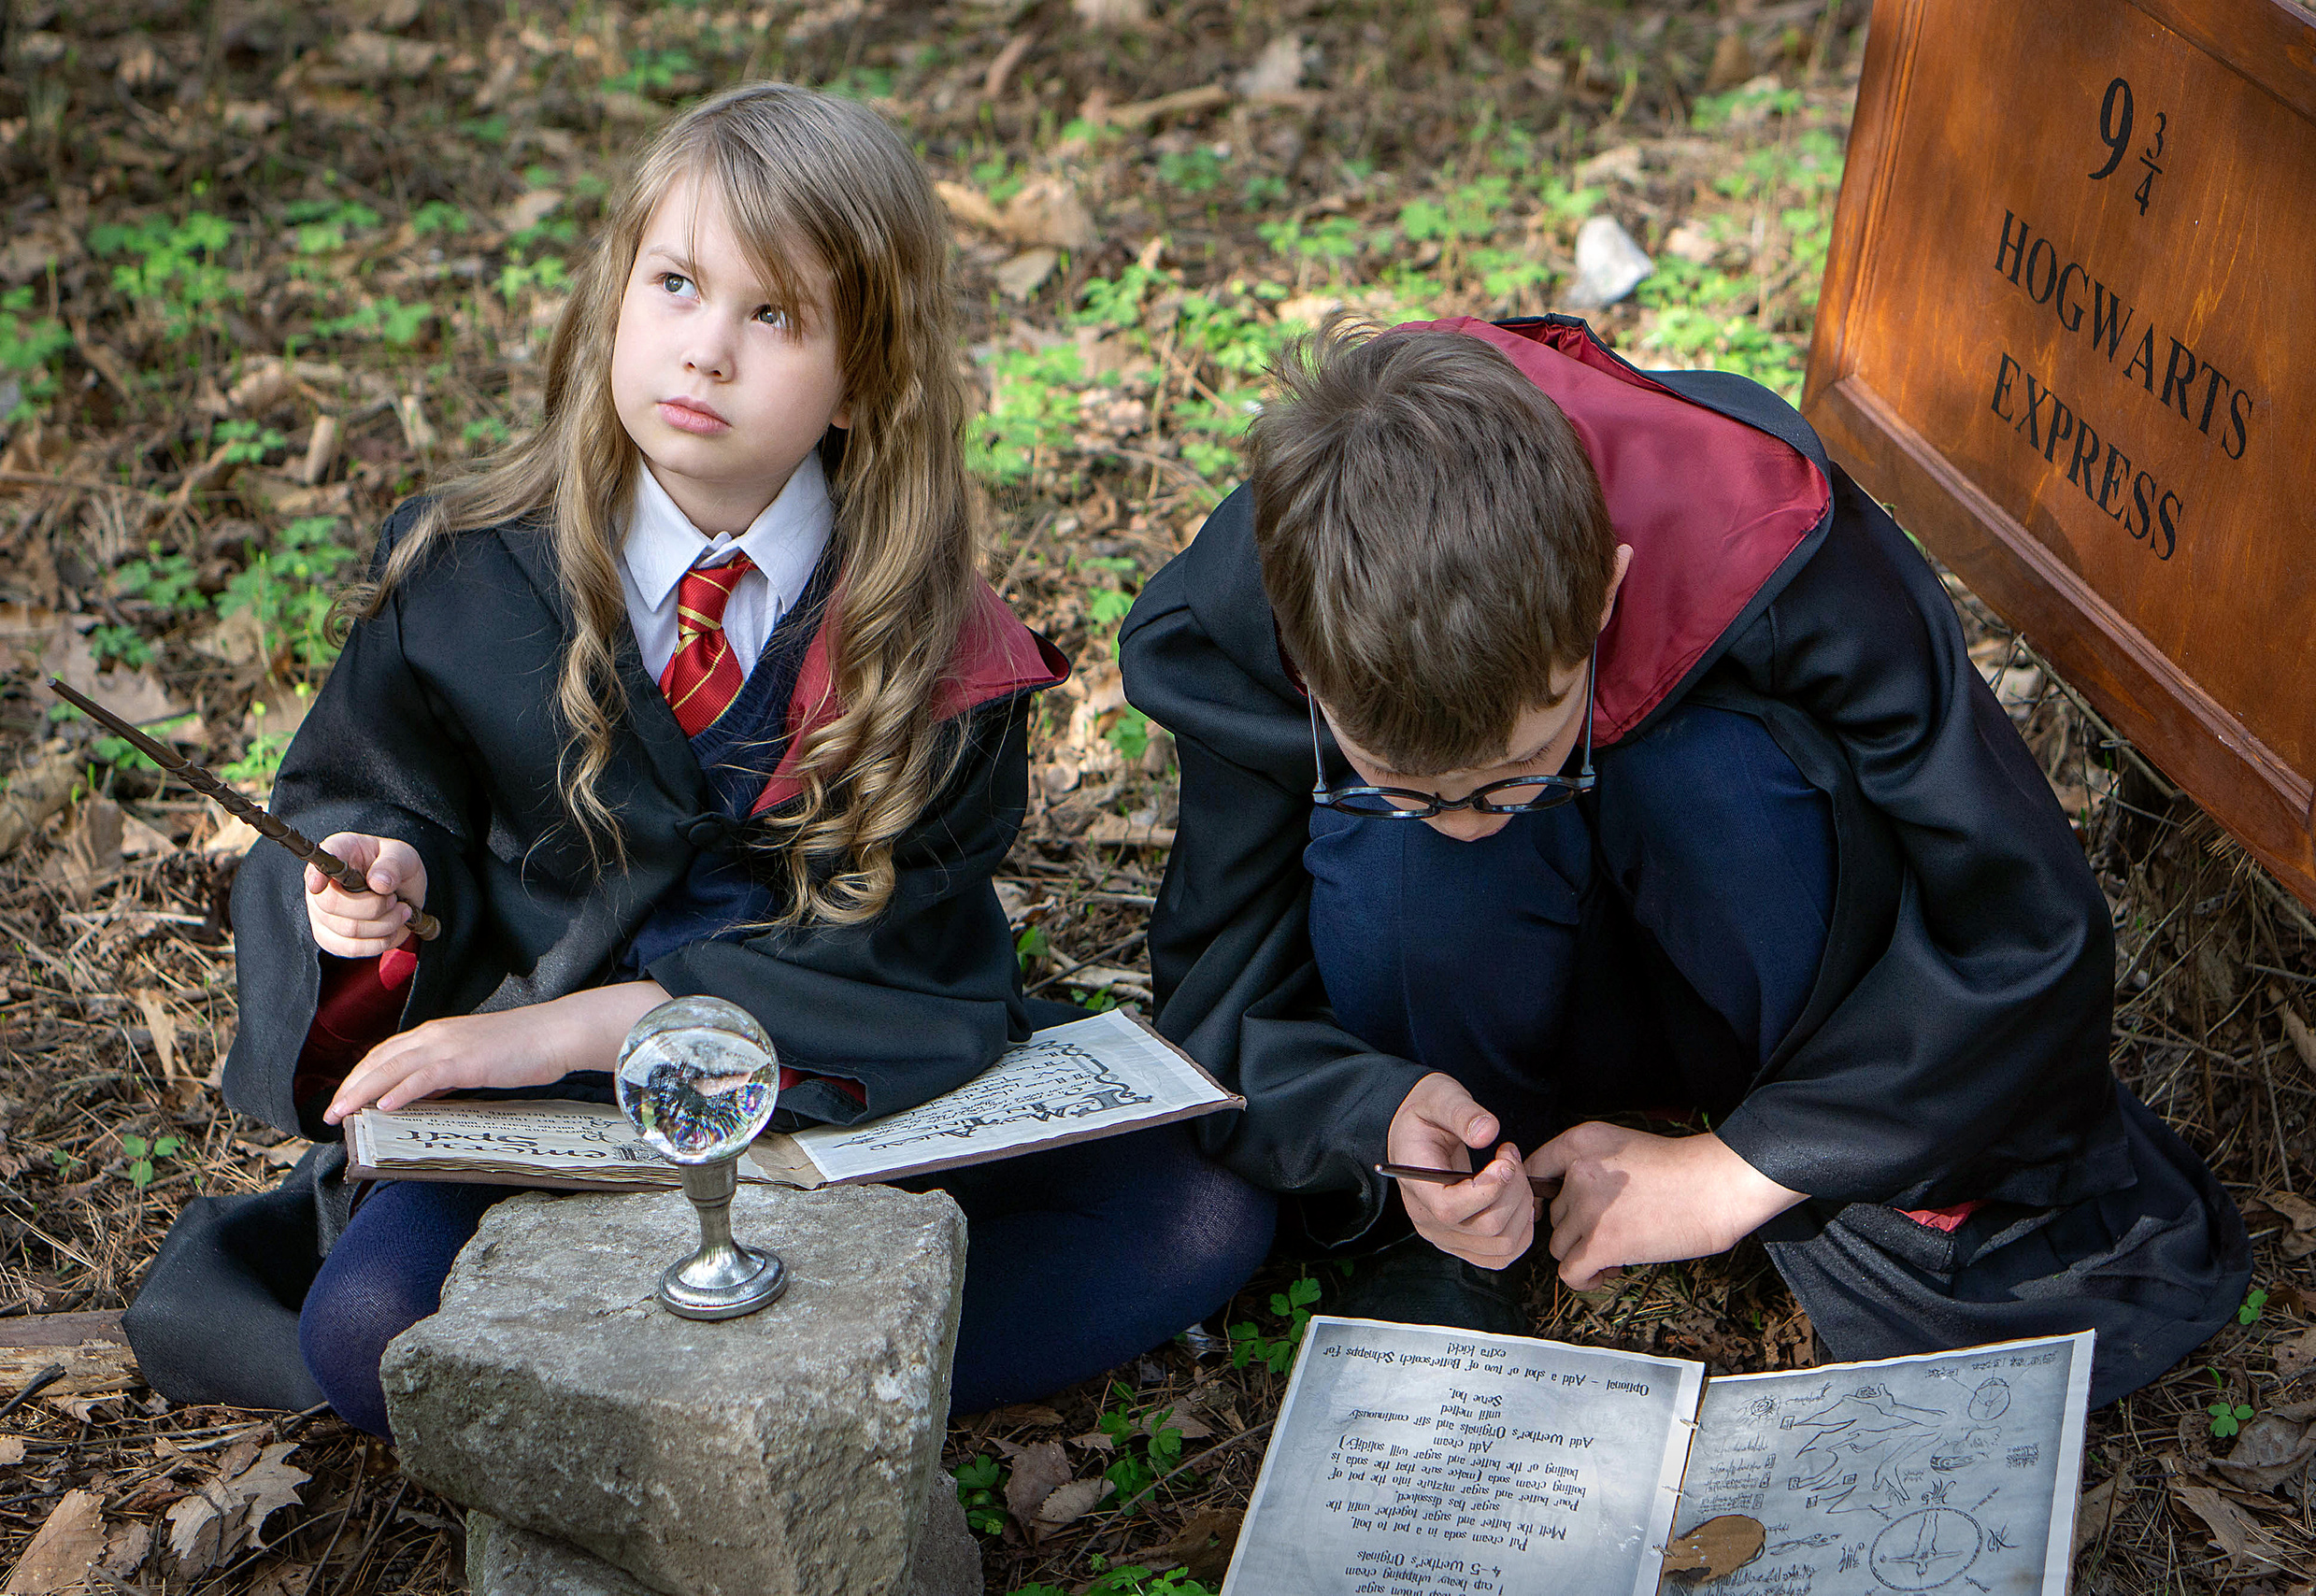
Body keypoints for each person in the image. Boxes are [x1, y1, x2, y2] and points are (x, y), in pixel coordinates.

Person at [125, 83, 1273, 1432]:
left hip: (833, 1093)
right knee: (374, 1330)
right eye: (676, 284)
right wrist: (380, 875)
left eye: (774, 315)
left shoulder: (933, 642)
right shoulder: (465, 572)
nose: (707, 350)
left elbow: (901, 962)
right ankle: (776, 1402)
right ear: (617, 296)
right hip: (546, 1108)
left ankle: (686, 1411)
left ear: (867, 378)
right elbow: (368, 787)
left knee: (1199, 1214)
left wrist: (583, 1026)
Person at [1119, 315, 2247, 1407]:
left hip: (1768, 996)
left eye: (1519, 763)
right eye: (1407, 782)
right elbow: (1220, 998)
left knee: (1703, 772)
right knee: (1408, 864)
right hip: (1480, 1014)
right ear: (1304, 671)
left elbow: (2021, 924)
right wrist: (1375, 1109)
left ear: (1603, 592)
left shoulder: (1762, 535)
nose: (1470, 820)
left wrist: (1739, 1168)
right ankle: (1473, 1226)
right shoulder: (1260, 614)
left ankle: (1777, 1144)